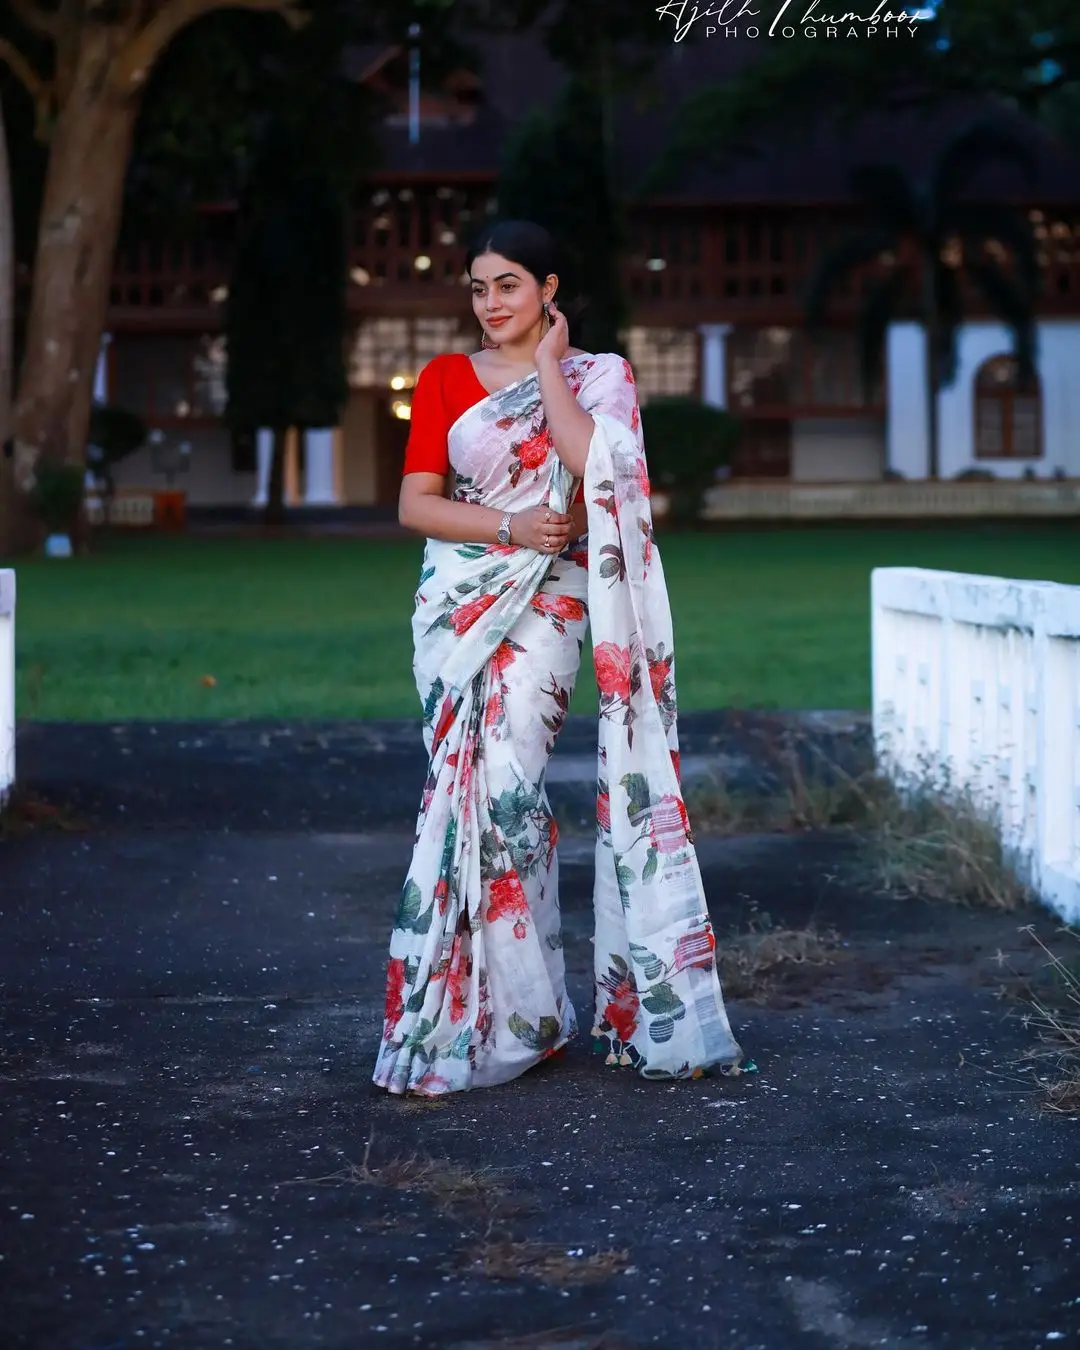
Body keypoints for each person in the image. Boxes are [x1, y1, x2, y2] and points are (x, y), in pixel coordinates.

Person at [372, 219, 742, 1096]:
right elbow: (415, 504)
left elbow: (595, 464)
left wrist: (547, 373)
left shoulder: (598, 376)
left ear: (547, 288)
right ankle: (514, 1018)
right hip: (458, 603)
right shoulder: (442, 379)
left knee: (503, 784)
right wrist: (507, 527)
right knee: (471, 797)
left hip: (551, 601)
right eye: (476, 287)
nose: (489, 303)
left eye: (507, 285)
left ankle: (524, 1017)